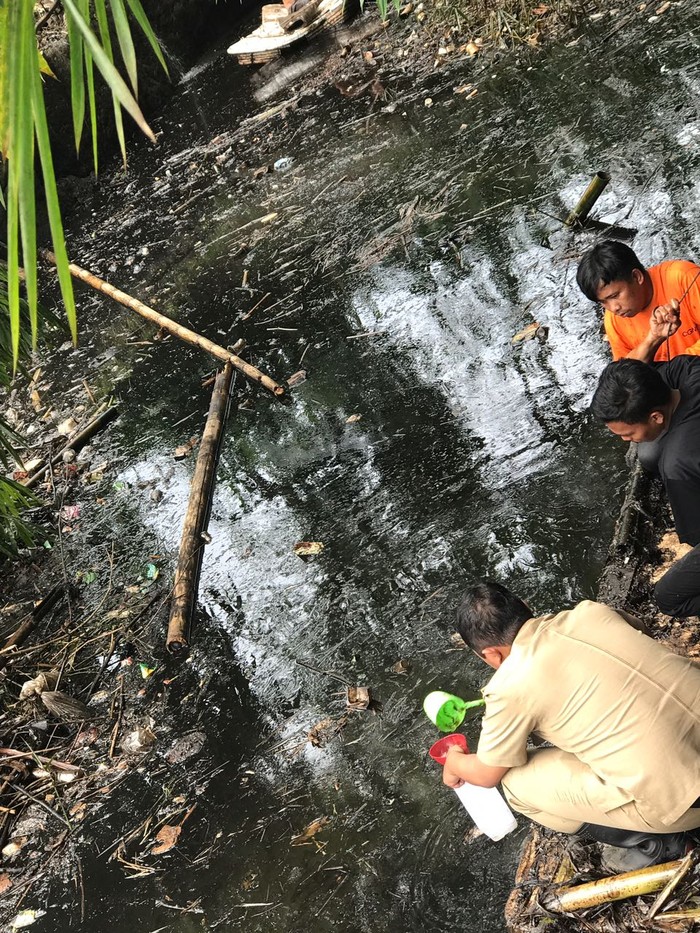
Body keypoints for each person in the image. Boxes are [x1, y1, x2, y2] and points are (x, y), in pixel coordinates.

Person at [443, 581, 700, 869]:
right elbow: (642, 633)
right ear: (525, 606)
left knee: (515, 784)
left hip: (691, 803)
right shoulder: (591, 612)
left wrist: (453, 763)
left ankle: (659, 844)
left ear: (491, 654)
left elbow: (486, 774)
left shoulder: (508, 686)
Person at [590, 356, 700, 617]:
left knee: (669, 598)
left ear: (656, 417)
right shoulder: (689, 369)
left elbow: (695, 537)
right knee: (650, 455)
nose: (625, 440)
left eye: (628, 435)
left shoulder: (677, 463)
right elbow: (642, 372)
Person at [576, 241, 700, 363]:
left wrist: (679, 369)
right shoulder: (613, 320)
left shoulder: (684, 278)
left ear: (637, 277)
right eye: (602, 302)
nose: (613, 308)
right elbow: (625, 372)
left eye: (615, 296)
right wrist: (653, 338)